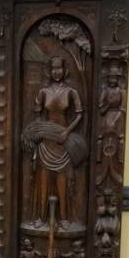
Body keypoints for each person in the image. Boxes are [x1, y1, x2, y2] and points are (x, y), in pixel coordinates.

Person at [22, 56, 87, 227]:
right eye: (53, 69)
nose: (56, 72)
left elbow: (79, 114)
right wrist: (39, 131)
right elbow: (38, 115)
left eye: (59, 68)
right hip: (46, 141)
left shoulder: (71, 92)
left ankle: (64, 217)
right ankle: (41, 217)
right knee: (42, 180)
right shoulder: (43, 92)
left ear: (65, 71)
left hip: (63, 140)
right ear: (49, 71)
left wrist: (67, 131)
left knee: (62, 181)